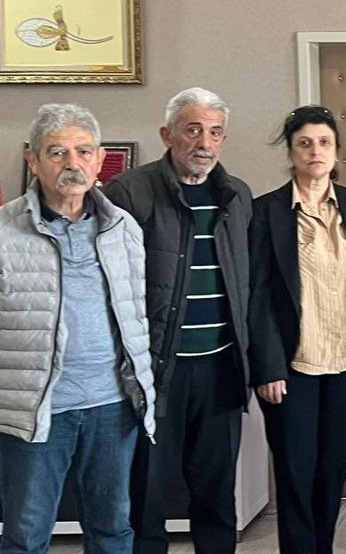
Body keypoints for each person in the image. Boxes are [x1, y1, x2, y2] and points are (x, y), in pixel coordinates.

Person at [0, 103, 156, 554]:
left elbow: (136, 314)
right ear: (32, 159)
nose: (73, 163)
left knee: (113, 531)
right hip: (37, 412)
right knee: (26, 536)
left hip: (112, 407)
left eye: (84, 151)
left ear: (100, 158)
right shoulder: (5, 231)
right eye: (57, 152)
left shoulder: (123, 228)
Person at [104, 87, 252, 554]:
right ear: (167, 135)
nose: (204, 143)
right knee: (147, 495)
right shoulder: (129, 192)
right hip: (156, 373)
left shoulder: (238, 195)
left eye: (215, 132)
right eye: (193, 130)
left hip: (221, 369)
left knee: (216, 495)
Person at [246, 105, 346, 554]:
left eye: (324, 142)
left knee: (332, 472)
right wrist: (268, 365)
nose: (315, 151)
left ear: (337, 150)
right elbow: (258, 296)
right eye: (304, 143)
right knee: (296, 474)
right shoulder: (266, 211)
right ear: (291, 152)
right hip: (293, 366)